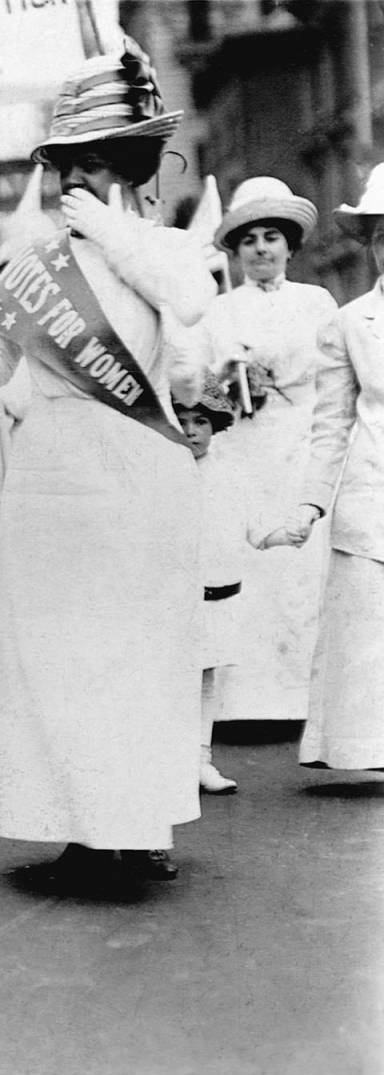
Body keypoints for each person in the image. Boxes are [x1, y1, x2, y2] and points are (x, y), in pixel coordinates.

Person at [0, 40, 216, 891]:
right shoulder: (28, 270)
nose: (75, 184)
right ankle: (76, 824)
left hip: (138, 473)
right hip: (54, 477)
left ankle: (135, 825)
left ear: (126, 168)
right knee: (60, 654)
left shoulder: (160, 250)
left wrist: (112, 229)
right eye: (67, 168)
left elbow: (194, 302)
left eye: (93, 166)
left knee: (137, 655)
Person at [202, 178, 339, 722]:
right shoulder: (218, 312)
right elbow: (200, 391)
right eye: (250, 239)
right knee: (250, 564)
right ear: (235, 250)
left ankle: (304, 700)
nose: (262, 249)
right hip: (243, 447)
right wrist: (232, 381)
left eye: (272, 237)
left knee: (304, 570)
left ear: (289, 245)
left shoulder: (317, 302)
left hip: (303, 441)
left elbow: (336, 378)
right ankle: (246, 702)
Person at [286, 164, 384, 773]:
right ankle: (366, 745)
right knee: (367, 638)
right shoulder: (349, 324)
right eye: (380, 235)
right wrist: (310, 503)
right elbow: (330, 428)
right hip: (371, 498)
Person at [178, 380, 301, 794]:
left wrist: (289, 534)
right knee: (170, 679)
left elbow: (258, 531)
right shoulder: (161, 473)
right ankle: (164, 762)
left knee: (206, 677)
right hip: (171, 599)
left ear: (215, 426)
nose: (191, 431)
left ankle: (199, 760)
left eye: (200, 422)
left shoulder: (230, 475)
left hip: (216, 595)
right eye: (181, 421)